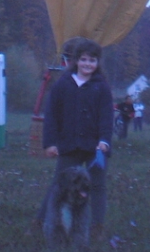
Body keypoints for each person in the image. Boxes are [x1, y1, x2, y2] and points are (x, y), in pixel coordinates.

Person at [42, 39, 113, 236]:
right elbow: (52, 116)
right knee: (59, 185)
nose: (87, 64)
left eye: (92, 60)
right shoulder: (62, 85)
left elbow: (107, 117)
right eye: (83, 60)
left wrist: (104, 141)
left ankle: (96, 227)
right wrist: (50, 143)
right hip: (69, 145)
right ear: (76, 61)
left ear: (97, 63)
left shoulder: (102, 87)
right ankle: (42, 223)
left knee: (97, 185)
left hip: (95, 147)